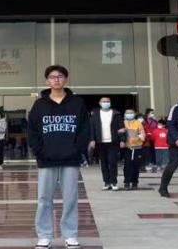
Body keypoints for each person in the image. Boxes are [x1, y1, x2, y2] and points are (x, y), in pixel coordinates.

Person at [28, 65, 89, 249]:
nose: (56, 79)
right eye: (53, 77)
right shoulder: (39, 105)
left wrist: (77, 149)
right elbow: (32, 131)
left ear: (66, 79)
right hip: (46, 159)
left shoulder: (77, 103)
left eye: (60, 76)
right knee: (44, 199)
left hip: (70, 158)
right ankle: (44, 236)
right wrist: (40, 151)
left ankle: (70, 235)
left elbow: (84, 129)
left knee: (70, 198)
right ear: (47, 81)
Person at [89, 96, 123, 191]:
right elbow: (92, 128)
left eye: (107, 101)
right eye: (104, 101)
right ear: (100, 103)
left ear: (110, 103)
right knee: (103, 163)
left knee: (113, 162)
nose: (106, 103)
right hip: (100, 142)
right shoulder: (95, 114)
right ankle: (106, 182)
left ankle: (113, 182)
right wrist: (92, 139)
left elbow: (121, 128)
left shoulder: (116, 114)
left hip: (113, 141)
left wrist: (122, 140)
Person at [120, 109, 145, 189]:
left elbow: (142, 134)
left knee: (136, 165)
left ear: (134, 114)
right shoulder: (122, 123)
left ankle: (135, 182)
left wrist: (138, 138)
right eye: (127, 113)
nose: (129, 114)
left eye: (131, 113)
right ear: (124, 114)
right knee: (127, 165)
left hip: (137, 147)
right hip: (127, 148)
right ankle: (127, 182)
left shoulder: (138, 123)